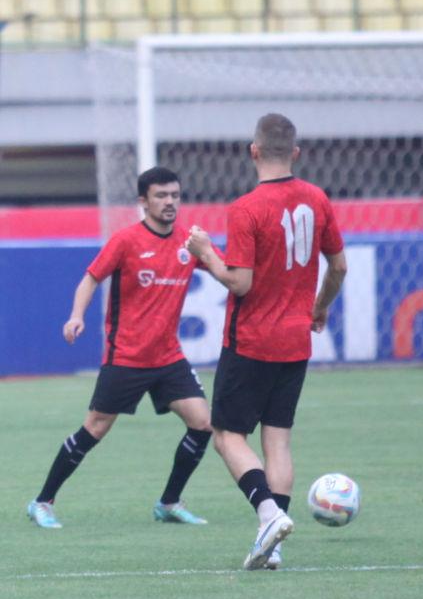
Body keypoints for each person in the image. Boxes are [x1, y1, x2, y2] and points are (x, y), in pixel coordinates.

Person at [186, 113, 347, 570]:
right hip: (296, 341)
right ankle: (271, 546)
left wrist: (206, 255)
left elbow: (239, 283)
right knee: (278, 441)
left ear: (253, 151)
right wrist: (320, 307)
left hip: (252, 339)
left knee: (227, 435)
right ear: (295, 153)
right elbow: (338, 267)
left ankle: (268, 514)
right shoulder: (317, 199)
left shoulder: (247, 208)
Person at [27, 166, 213, 529]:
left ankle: (169, 502)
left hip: (168, 357)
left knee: (203, 423)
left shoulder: (190, 244)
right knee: (94, 428)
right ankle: (42, 501)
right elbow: (91, 278)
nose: (170, 202)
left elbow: (226, 271)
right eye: (161, 196)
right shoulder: (126, 241)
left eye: (175, 195)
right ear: (144, 202)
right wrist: (76, 315)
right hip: (126, 357)